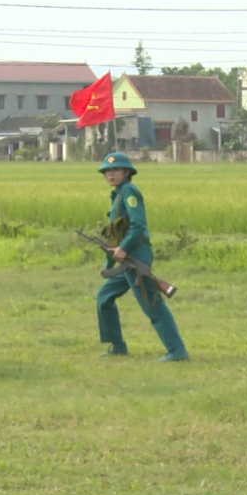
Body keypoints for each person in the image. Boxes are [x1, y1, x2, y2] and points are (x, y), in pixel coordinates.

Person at [94, 152, 188, 361]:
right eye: (107, 171)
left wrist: (123, 249)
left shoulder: (129, 192)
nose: (110, 174)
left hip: (135, 257)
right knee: (104, 298)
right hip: (123, 260)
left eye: (116, 170)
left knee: (151, 303)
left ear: (126, 172)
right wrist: (111, 259)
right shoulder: (118, 194)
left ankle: (177, 350)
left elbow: (138, 226)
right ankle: (117, 346)